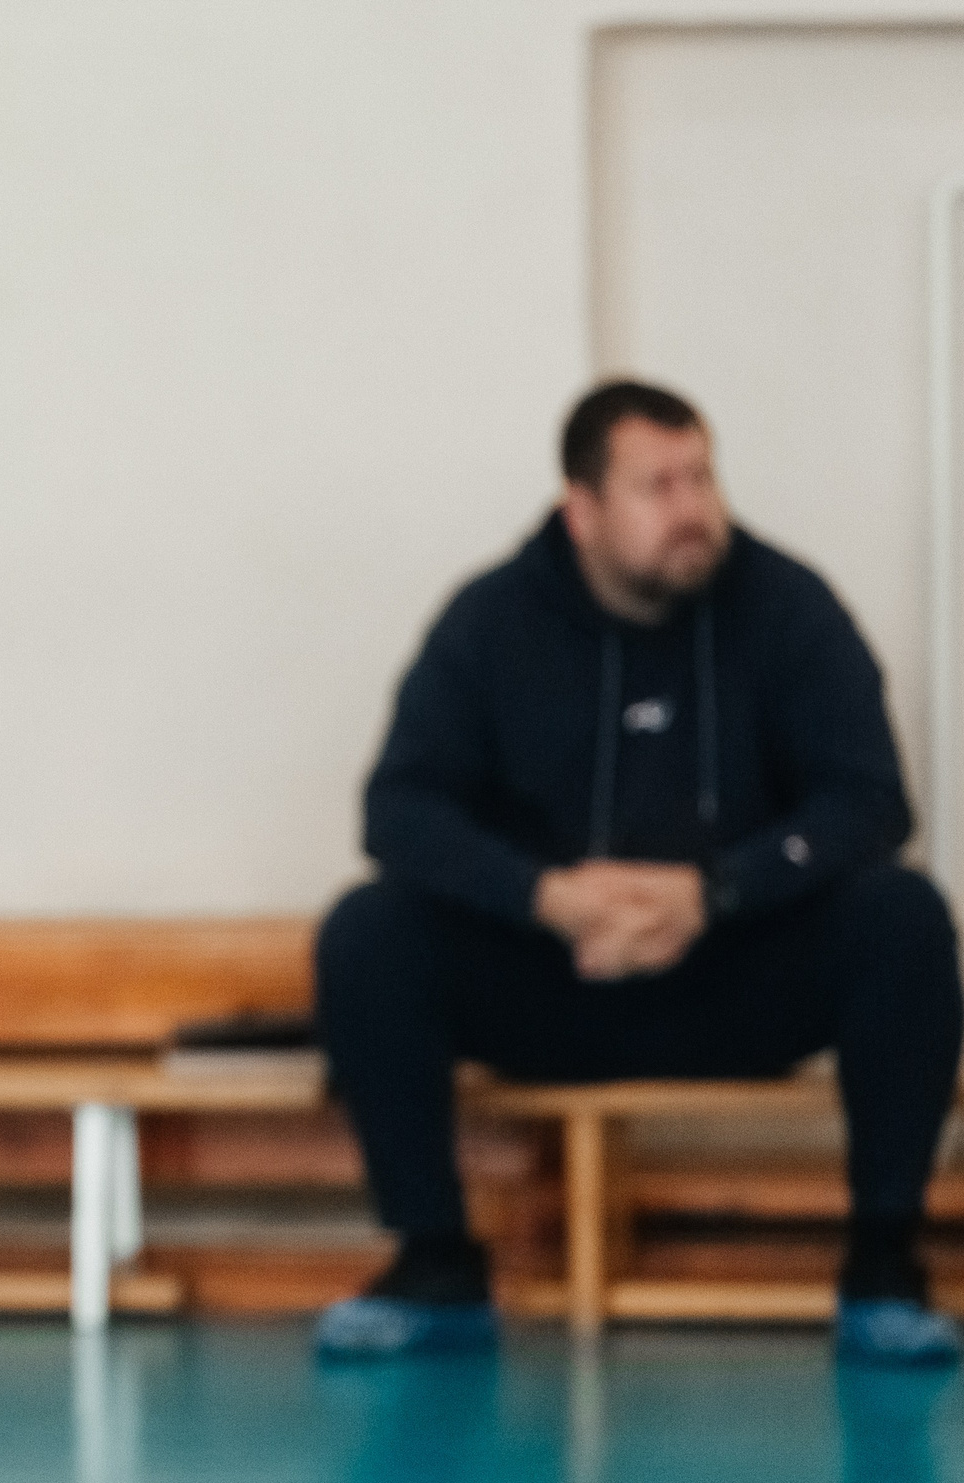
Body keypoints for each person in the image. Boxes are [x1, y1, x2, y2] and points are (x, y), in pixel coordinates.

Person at [314, 379, 963, 1365]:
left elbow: (869, 802)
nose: (691, 509)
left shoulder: (786, 608)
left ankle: (881, 1265)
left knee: (903, 914)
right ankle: (435, 1264)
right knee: (368, 931)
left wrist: (714, 893)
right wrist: (547, 897)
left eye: (700, 477)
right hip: (554, 981)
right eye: (655, 486)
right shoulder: (492, 621)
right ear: (582, 510)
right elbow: (398, 809)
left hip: (731, 978)